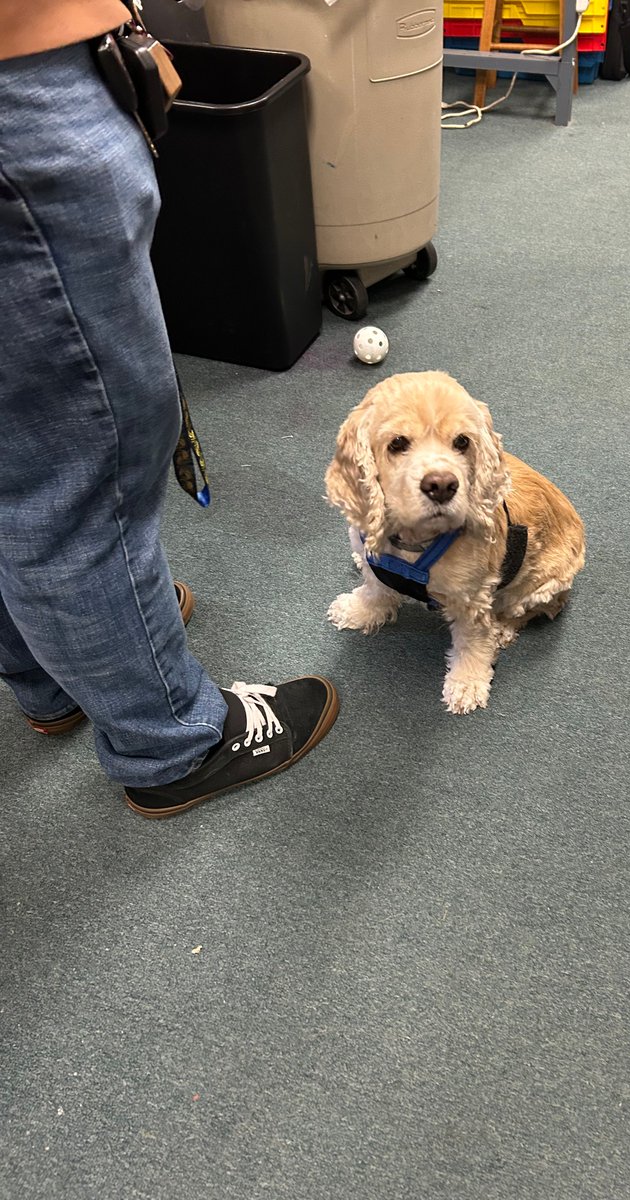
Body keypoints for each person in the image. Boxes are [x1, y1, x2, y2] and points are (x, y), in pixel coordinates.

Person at [0, 2, 339, 818]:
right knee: (91, 462)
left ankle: (57, 669)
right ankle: (173, 739)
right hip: (20, 92)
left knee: (22, 444)